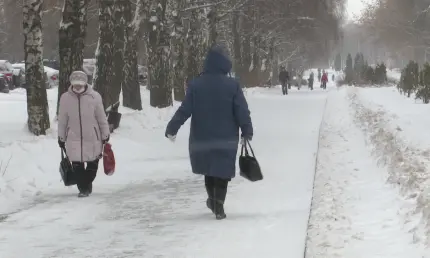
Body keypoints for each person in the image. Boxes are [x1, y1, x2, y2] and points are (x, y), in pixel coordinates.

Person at [165, 46, 253, 220]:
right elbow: (242, 110)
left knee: (209, 170)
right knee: (223, 172)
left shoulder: (196, 84)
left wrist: (172, 128)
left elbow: (185, 109)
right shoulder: (232, 85)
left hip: (202, 138)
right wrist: (246, 131)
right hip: (226, 139)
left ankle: (213, 201)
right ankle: (218, 203)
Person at [58, 71, 110, 197]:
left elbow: (101, 117)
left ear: (85, 83)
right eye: (75, 85)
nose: (77, 87)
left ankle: (86, 184)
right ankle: (84, 189)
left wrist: (105, 134)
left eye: (79, 85)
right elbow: (62, 120)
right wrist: (61, 137)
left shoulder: (94, 97)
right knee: (77, 166)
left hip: (92, 137)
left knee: (92, 165)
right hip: (73, 137)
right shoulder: (65, 98)